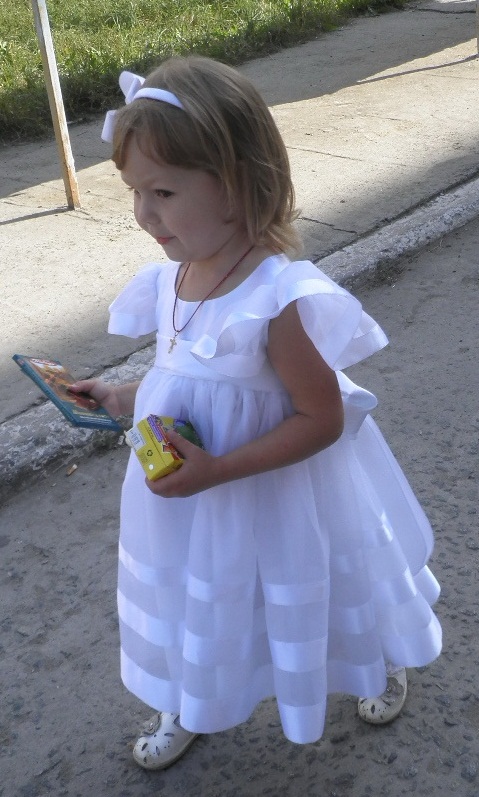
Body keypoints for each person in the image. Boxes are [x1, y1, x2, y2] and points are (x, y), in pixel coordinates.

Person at [70, 56, 442, 770]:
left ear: (238, 183)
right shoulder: (174, 275)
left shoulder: (276, 298)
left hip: (277, 492)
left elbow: (320, 417)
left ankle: (374, 659)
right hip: (193, 502)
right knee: (197, 594)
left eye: (164, 191)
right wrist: (122, 397)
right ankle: (191, 694)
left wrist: (220, 470)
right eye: (135, 191)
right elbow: (184, 375)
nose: (144, 213)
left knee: (323, 580)